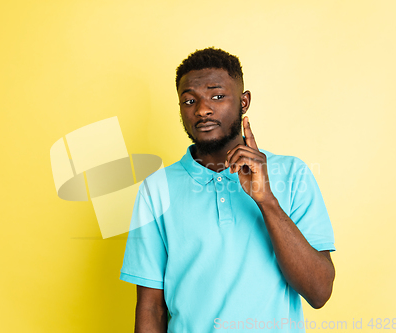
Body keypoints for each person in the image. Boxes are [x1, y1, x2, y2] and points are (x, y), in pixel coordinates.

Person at [120, 47, 336, 333]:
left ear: (244, 102)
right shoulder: (156, 189)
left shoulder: (293, 174)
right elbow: (151, 307)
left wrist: (266, 200)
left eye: (218, 96)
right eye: (189, 100)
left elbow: (319, 292)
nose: (202, 109)